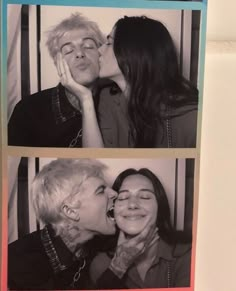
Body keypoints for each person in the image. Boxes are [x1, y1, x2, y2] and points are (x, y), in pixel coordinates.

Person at [61, 15, 198, 148]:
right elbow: (95, 157)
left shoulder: (190, 118)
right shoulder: (108, 101)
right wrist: (86, 99)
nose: (100, 50)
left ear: (134, 53)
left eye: (109, 43)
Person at [8, 158, 118, 290]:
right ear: (70, 211)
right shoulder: (18, 264)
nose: (114, 193)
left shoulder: (98, 247)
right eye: (100, 191)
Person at [8, 13, 105, 147]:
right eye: (69, 50)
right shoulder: (28, 111)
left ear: (101, 53)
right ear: (57, 62)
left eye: (88, 46)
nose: (79, 53)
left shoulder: (120, 103)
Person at [90, 168, 192, 289]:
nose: (133, 204)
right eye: (122, 198)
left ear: (160, 207)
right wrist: (118, 267)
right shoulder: (100, 265)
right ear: (113, 210)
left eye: (144, 197)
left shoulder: (187, 255)